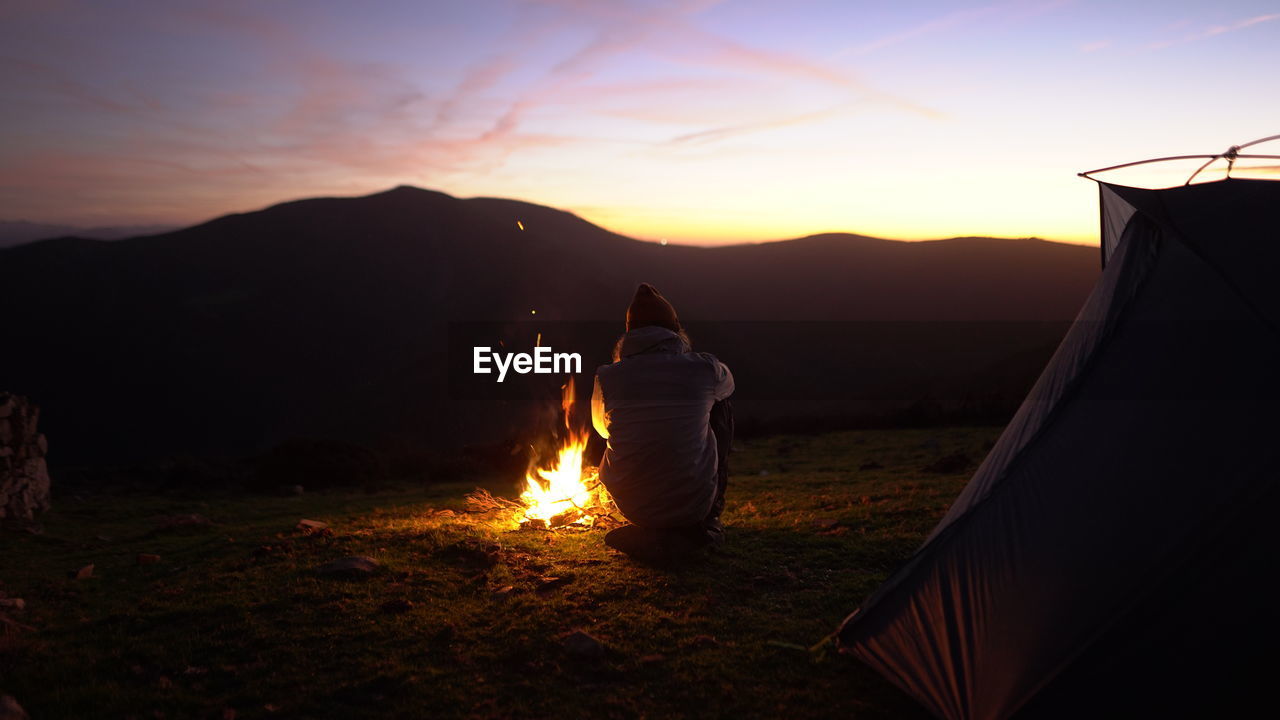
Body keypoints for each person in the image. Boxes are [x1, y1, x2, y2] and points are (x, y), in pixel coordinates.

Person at [591, 283, 734, 564]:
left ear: (629, 334)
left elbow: (602, 429)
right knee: (721, 403)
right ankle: (707, 521)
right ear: (675, 330)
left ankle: (648, 532)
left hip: (633, 508)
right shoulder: (705, 368)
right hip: (693, 506)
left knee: (614, 422)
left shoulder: (607, 376)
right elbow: (729, 384)